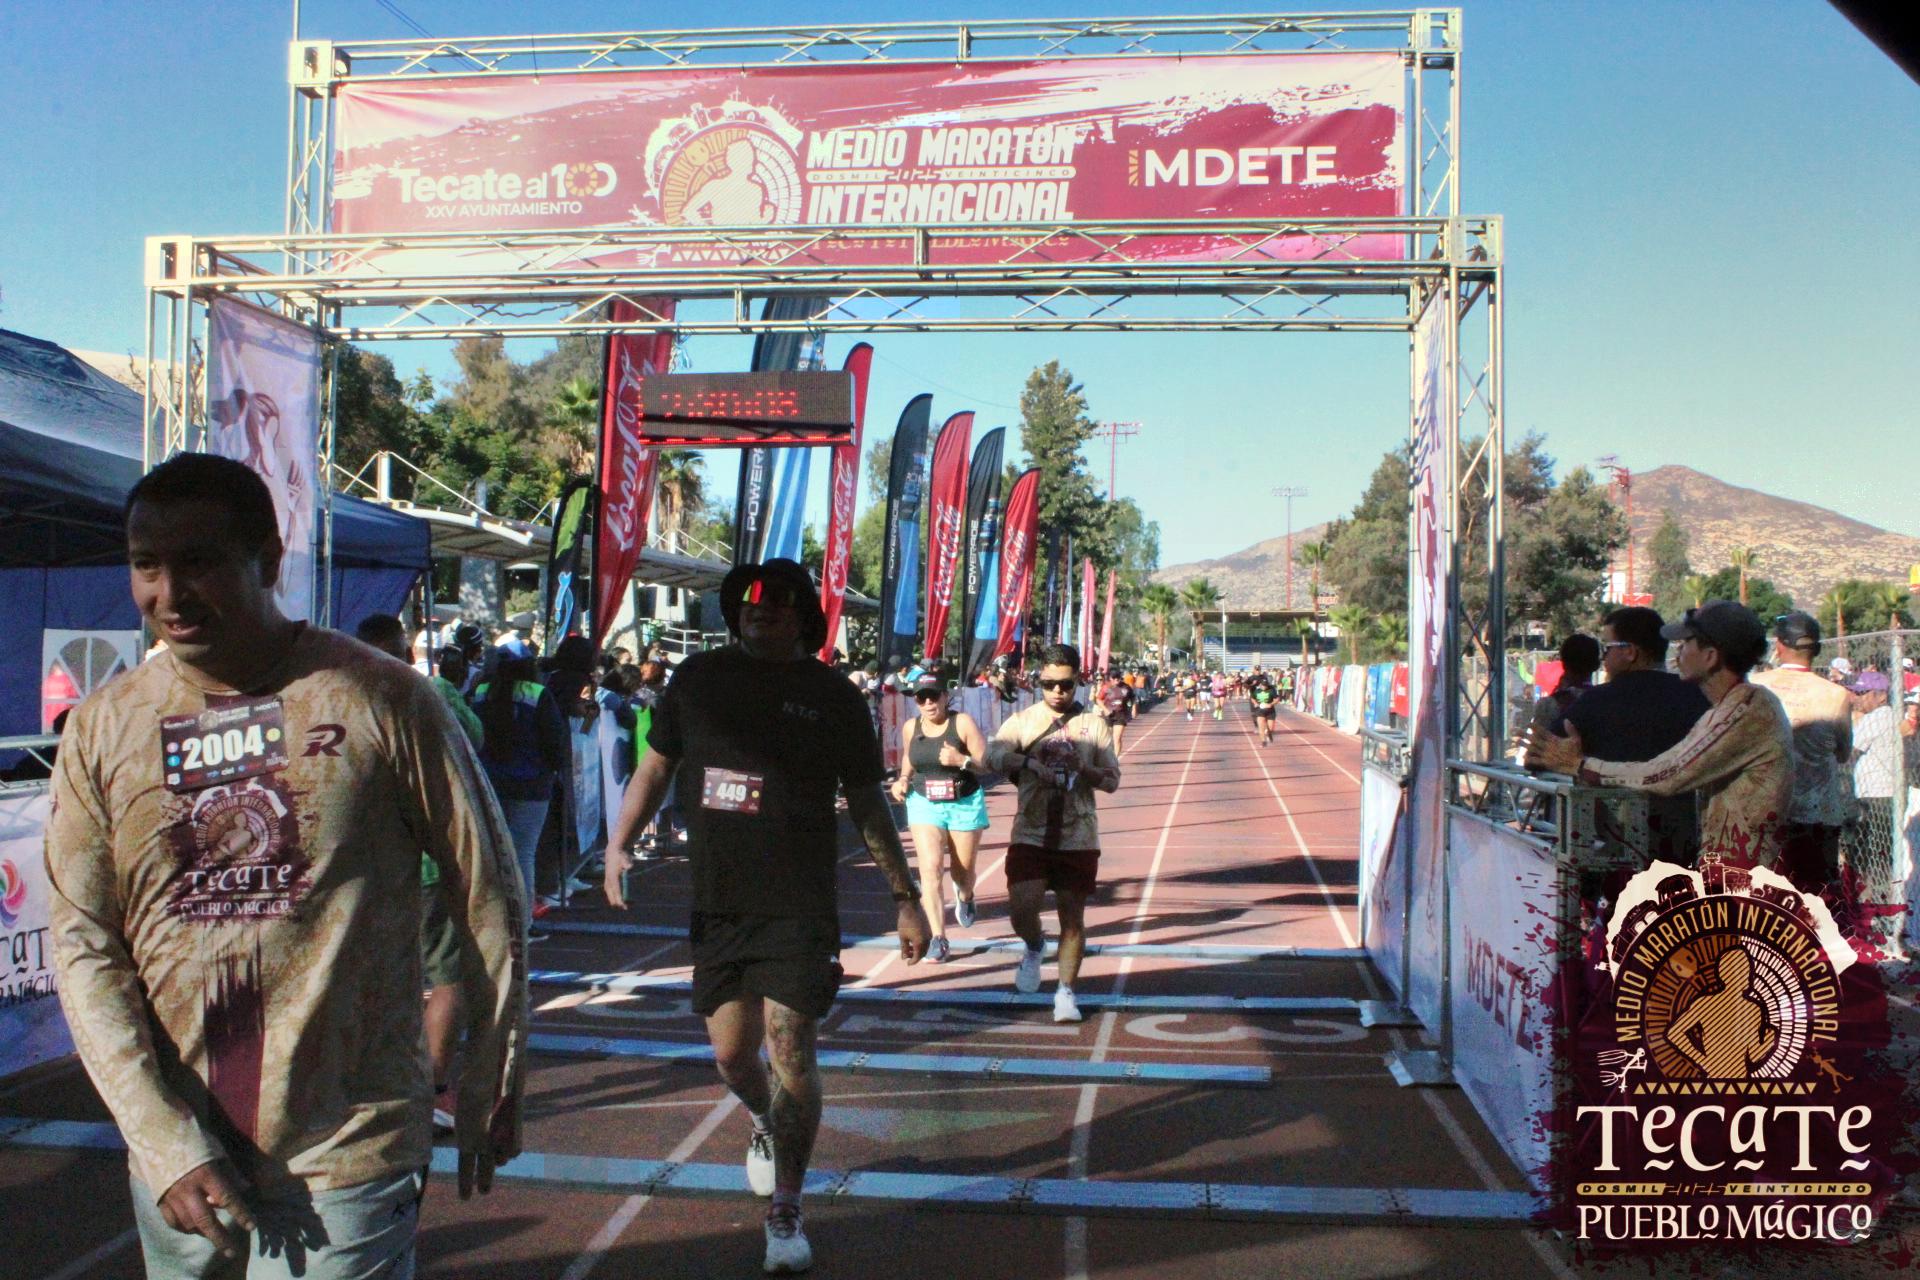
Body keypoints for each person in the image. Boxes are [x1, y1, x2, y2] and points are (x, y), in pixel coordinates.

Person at [47, 453, 525, 1278]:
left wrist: (496, 1067)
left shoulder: (380, 698)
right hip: (185, 1157)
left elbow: (487, 888)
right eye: (146, 565)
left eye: (199, 562)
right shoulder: (103, 728)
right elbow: (83, 940)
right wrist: (159, 1136)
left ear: (267, 560)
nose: (169, 594)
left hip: (351, 1144)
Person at [601, 558, 930, 1275]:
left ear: (802, 615)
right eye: (749, 598)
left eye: (778, 599)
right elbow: (655, 767)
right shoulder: (697, 679)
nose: (761, 607)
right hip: (719, 899)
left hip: (798, 902)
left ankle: (786, 1206)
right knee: (730, 1055)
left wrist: (905, 896)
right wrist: (619, 844)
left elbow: (868, 799)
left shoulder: (833, 695)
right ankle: (762, 1120)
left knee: (792, 1049)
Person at [1531, 601, 1792, 870]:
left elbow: (1665, 774)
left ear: (1710, 656)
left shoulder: (1746, 710)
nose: (1678, 650)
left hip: (1743, 879)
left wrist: (1581, 766)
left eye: (1686, 642)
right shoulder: (1729, 707)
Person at [358, 619, 481, 1132]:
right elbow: (475, 740)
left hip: (365, 868)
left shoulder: (337, 699)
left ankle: (374, 1086)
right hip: (427, 860)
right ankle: (430, 1088)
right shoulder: (432, 693)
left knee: (377, 978)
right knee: (450, 977)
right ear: (407, 651)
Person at [985, 643, 1122, 1025]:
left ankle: (1065, 991)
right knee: (1021, 908)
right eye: (1049, 684)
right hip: (1031, 830)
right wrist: (1027, 762)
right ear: (1038, 682)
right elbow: (991, 756)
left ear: (1078, 681)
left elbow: (1112, 781)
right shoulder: (1023, 721)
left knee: (1072, 918)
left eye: (1065, 684)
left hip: (1078, 834)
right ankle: (1034, 945)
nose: (1058, 692)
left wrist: (1085, 768)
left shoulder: (1095, 726)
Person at [1534, 606, 1710, 861]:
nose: (1603, 657)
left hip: (1616, 848)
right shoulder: (1699, 697)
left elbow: (1538, 756)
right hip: (1686, 845)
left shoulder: (1594, 702)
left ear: (1630, 652)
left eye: (1607, 648)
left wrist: (1576, 761)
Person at [889, 672, 992, 963]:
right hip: (924, 802)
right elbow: (909, 759)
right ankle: (939, 937)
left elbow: (986, 763)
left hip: (963, 802)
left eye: (933, 696)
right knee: (930, 868)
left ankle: (966, 896)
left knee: (963, 873)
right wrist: (903, 779)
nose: (928, 703)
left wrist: (962, 761)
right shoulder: (911, 727)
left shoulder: (962, 723)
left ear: (945, 697)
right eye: (921, 698)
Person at [1750, 612, 1854, 891]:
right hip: (1818, 817)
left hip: (1764, 814)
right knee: (1816, 901)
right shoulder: (1836, 694)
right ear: (1816, 649)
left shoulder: (1756, 686)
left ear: (1779, 646)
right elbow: (1843, 753)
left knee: (1763, 902)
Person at [474, 652, 569, 941]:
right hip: (532, 784)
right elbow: (554, 739)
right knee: (523, 854)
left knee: (491, 854)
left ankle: (491, 922)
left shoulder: (481, 692)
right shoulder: (537, 693)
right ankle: (523, 924)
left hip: (490, 782)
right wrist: (554, 769)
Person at [1523, 634, 1600, 754]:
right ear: (1596, 665)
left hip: (1556, 764)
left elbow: (1535, 755)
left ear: (1562, 663)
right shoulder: (1606, 702)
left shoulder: (1548, 705)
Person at [1096, 669, 1135, 755]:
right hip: (1108, 714)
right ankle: (1107, 756)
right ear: (1110, 678)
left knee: (1117, 738)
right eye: (1114, 678)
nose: (1116, 680)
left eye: (1118, 678)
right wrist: (1105, 710)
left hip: (1121, 714)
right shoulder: (1106, 687)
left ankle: (1116, 759)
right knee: (1108, 738)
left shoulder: (1126, 687)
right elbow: (1098, 699)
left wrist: (1132, 708)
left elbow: (1132, 698)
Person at [1249, 670, 1280, 745]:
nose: (1264, 686)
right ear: (1260, 685)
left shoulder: (1271, 690)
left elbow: (1277, 699)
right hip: (1260, 711)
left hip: (1270, 711)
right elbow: (1252, 698)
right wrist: (1255, 703)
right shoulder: (1257, 691)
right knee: (1261, 727)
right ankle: (1263, 741)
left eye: (1265, 685)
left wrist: (1271, 704)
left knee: (1271, 729)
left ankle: (1269, 733)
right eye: (1263, 685)